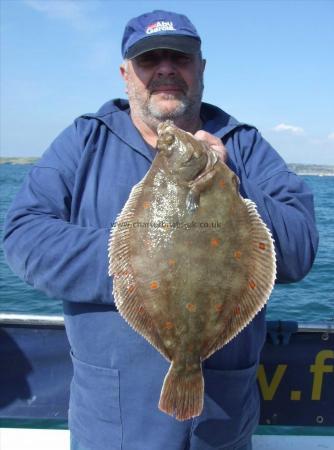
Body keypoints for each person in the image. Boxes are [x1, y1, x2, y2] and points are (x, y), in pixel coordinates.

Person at [3, 9, 318, 450]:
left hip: (221, 422)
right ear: (125, 74)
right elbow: (23, 238)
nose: (166, 69)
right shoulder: (83, 140)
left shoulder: (242, 145)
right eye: (150, 60)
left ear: (201, 68)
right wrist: (138, 258)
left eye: (180, 57)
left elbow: (300, 250)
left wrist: (228, 178)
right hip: (113, 424)